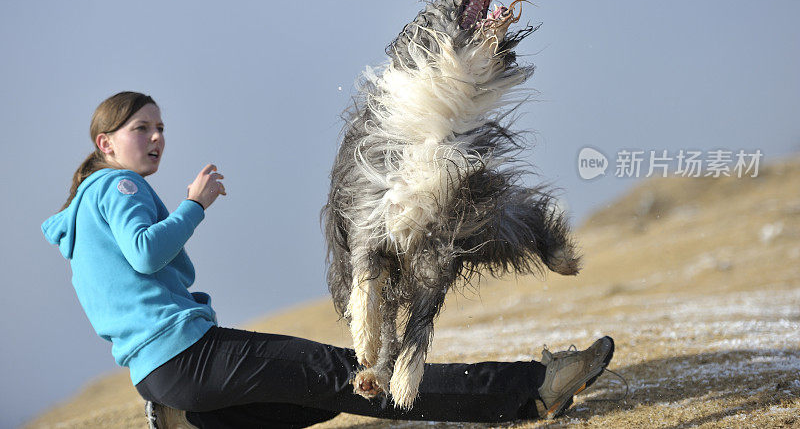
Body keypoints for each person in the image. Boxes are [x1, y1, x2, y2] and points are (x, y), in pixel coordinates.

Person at [42, 91, 615, 429]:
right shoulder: (118, 188)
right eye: (141, 128)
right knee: (358, 380)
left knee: (314, 400)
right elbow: (146, 253)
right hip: (188, 357)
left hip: (160, 376)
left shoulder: (81, 211)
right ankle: (537, 385)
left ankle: (186, 421)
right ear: (105, 144)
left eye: (161, 127)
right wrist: (195, 205)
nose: (156, 138)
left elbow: (124, 285)